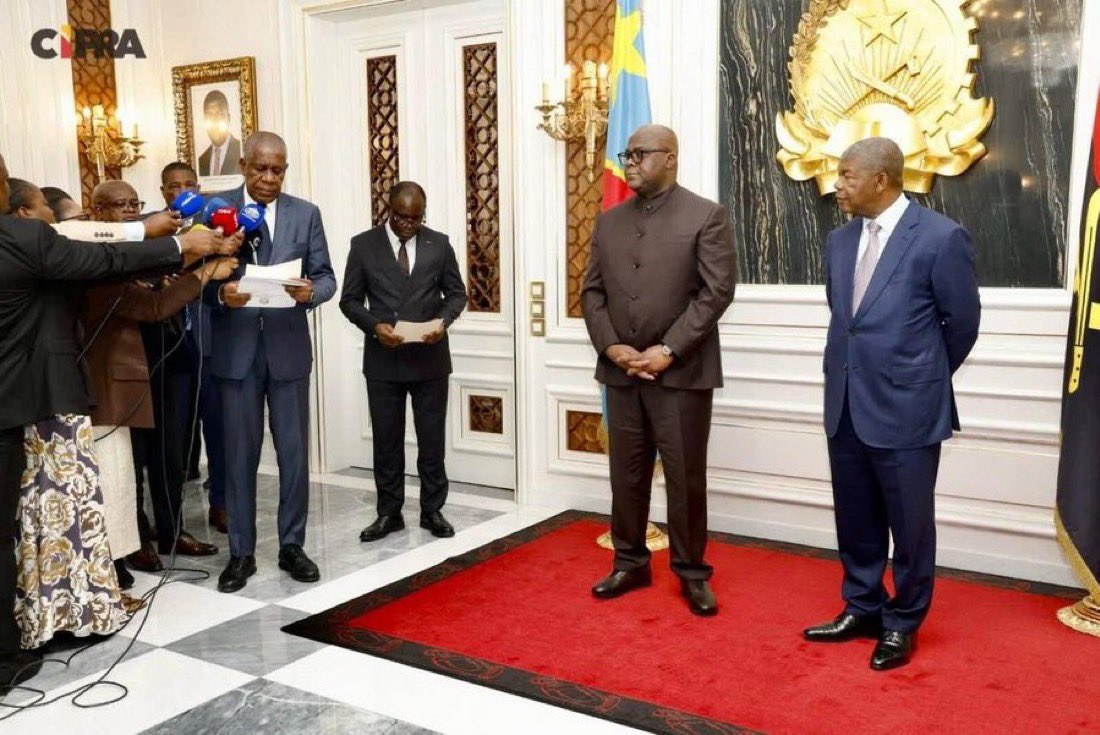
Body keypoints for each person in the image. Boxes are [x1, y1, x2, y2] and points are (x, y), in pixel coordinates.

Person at [0, 150, 237, 689]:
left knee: (49, 521)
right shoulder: (36, 245)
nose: (48, 219)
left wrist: (184, 255)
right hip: (52, 400)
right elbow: (107, 262)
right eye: (40, 209)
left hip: (33, 401)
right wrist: (182, 250)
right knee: (73, 514)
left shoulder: (36, 246)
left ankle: (54, 611)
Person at [802, 137, 980, 670]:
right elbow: (846, 317)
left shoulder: (940, 238)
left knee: (910, 524)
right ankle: (862, 606)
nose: (838, 184)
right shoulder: (838, 240)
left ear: (881, 179)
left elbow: (962, 324)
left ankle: (903, 622)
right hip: (847, 403)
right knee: (855, 517)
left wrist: (918, 375)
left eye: (848, 175)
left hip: (907, 408)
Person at [581, 124, 737, 616]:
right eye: (627, 153)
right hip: (622, 373)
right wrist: (611, 348)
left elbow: (716, 293)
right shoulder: (609, 221)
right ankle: (630, 561)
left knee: (684, 478)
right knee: (625, 475)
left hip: (682, 374)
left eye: (640, 153)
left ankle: (692, 572)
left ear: (669, 158)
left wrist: (668, 349)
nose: (629, 161)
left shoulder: (706, 215)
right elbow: (593, 293)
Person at [206, 131, 336, 593]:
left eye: (277, 169)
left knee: (294, 454)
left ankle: (292, 546)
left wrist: (311, 293)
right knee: (238, 456)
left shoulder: (306, 213)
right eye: (260, 168)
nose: (268, 177)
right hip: (236, 354)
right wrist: (220, 293)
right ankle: (240, 553)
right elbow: (194, 278)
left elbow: (326, 277)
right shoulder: (215, 209)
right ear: (243, 165)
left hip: (287, 352)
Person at [83, 181, 230, 580]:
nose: (130, 211)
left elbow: (165, 279)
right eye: (119, 205)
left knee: (172, 455)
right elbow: (150, 305)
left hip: (173, 361)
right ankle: (135, 540)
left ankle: (172, 530)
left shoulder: (150, 247)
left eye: (135, 203)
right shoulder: (98, 256)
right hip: (129, 372)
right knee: (131, 463)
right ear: (97, 212)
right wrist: (198, 276)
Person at [340, 181, 468, 542]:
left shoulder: (438, 243)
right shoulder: (363, 245)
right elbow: (349, 301)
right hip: (383, 359)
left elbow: (456, 293)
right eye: (401, 217)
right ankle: (389, 513)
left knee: (431, 440)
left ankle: (432, 510)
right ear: (388, 209)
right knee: (387, 441)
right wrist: (373, 326)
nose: (409, 224)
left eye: (416, 218)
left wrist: (443, 323)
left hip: (429, 358)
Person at [160, 161, 228, 532]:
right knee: (172, 440)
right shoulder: (153, 234)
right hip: (169, 350)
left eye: (189, 184)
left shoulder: (216, 228)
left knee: (218, 429)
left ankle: (220, 502)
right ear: (164, 193)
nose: (183, 191)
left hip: (209, 343)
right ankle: (171, 521)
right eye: (174, 186)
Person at [196, 90, 241, 178]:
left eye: (219, 114)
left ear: (228, 118)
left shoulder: (241, 151)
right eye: (209, 115)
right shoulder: (201, 161)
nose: (214, 121)